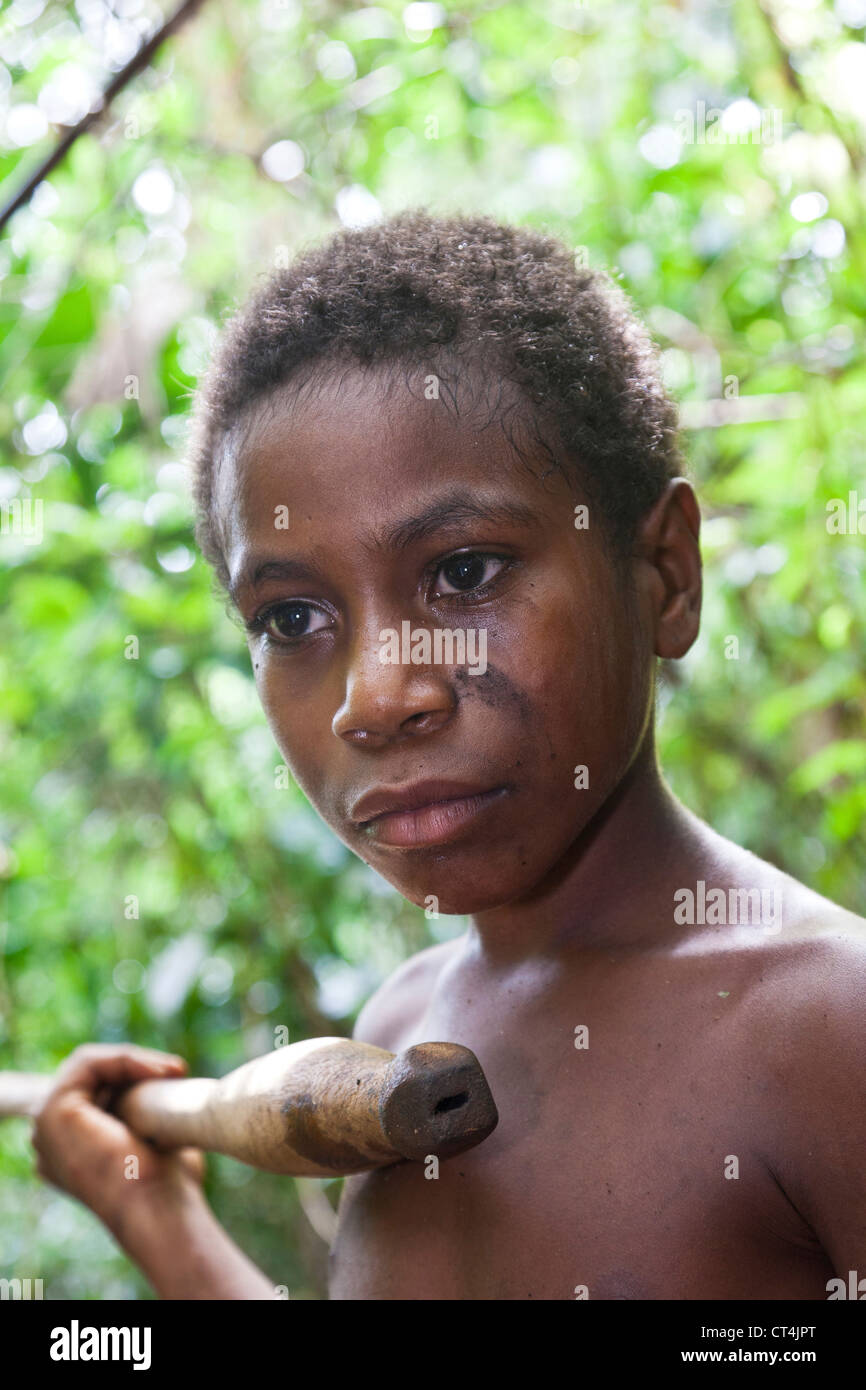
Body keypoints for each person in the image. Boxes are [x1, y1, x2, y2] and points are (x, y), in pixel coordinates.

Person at [32, 212, 866, 1299]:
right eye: (292, 619)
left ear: (661, 576)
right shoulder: (396, 1037)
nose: (377, 698)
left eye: (464, 573)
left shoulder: (823, 1034)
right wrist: (156, 1216)